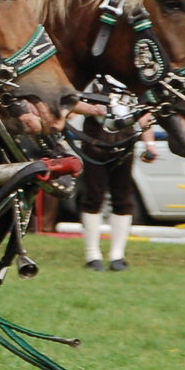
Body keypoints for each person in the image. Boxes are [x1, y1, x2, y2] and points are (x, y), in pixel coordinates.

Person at [78, 105, 157, 272]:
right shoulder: (91, 87)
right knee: (93, 197)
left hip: (124, 143)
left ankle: (117, 255)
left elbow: (143, 114)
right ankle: (92, 255)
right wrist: (91, 109)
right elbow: (71, 104)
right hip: (94, 143)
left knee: (123, 198)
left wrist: (150, 144)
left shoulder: (132, 90)